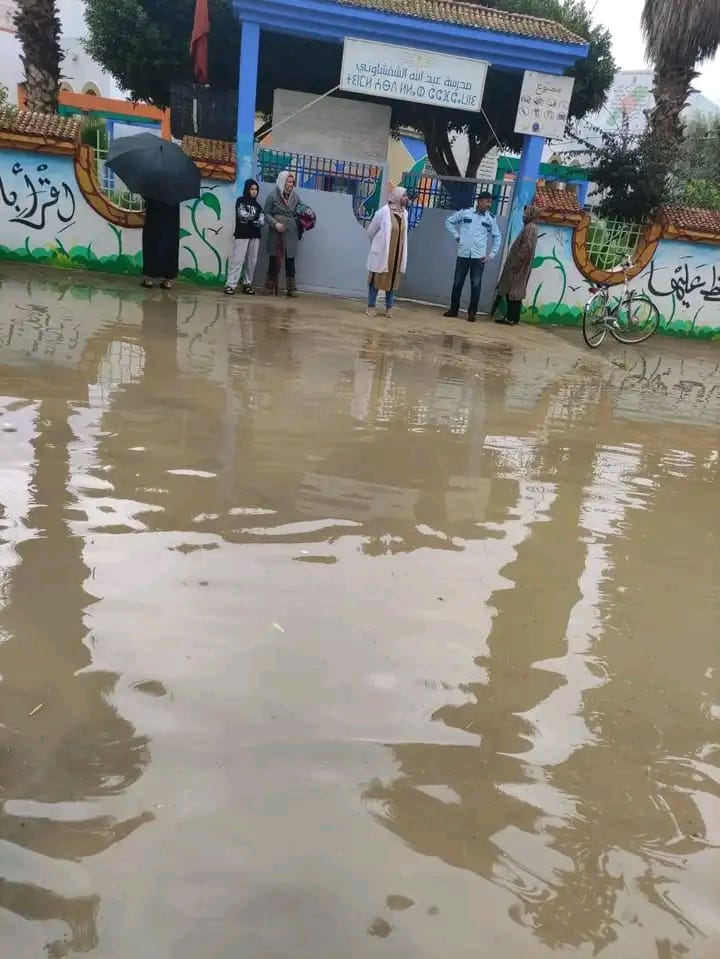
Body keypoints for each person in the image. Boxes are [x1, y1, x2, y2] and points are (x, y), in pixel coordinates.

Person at [443, 191, 502, 322]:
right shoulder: (466, 213)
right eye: (487, 201)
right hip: (463, 254)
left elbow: (497, 237)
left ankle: (472, 313)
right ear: (479, 201)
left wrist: (491, 255)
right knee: (457, 283)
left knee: (476, 285)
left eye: (490, 202)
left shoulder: (490, 218)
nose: (489, 204)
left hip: (478, 257)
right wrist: (456, 235)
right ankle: (453, 309)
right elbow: (449, 222)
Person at [366, 186, 409, 319]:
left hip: (397, 254)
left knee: (392, 280)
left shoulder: (405, 213)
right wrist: (378, 245)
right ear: (397, 196)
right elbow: (371, 231)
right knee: (376, 279)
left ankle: (389, 308)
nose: (406, 198)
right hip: (383, 253)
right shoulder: (383, 212)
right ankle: (371, 306)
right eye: (404, 196)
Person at [492, 205, 540, 326]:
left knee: (512, 292)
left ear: (531, 215)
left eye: (526, 214)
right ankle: (514, 318)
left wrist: (516, 263)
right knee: (516, 292)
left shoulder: (530, 228)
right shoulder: (531, 227)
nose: (523, 216)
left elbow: (526, 247)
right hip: (521, 266)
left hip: (518, 266)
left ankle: (510, 318)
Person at [264, 170, 302, 297]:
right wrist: (275, 223)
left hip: (291, 232)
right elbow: (266, 213)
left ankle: (291, 288)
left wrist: (305, 217)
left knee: (290, 259)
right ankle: (269, 285)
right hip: (276, 232)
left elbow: (301, 209)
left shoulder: (295, 197)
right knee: (274, 258)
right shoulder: (272, 196)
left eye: (292, 182)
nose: (290, 184)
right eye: (288, 181)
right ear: (282, 181)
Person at [225, 178, 265, 295]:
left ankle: (247, 284)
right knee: (237, 260)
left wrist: (251, 219)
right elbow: (241, 215)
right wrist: (254, 219)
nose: (254, 191)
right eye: (252, 189)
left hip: (255, 236)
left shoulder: (258, 206)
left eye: (256, 189)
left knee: (252, 261)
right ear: (247, 189)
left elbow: (261, 222)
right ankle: (230, 285)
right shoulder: (240, 201)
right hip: (242, 235)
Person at [141, 198, 180, 290]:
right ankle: (168, 281)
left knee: (151, 244)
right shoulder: (176, 190)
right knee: (170, 244)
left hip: (154, 214)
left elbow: (146, 196)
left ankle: (149, 279)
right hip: (171, 217)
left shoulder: (154, 188)